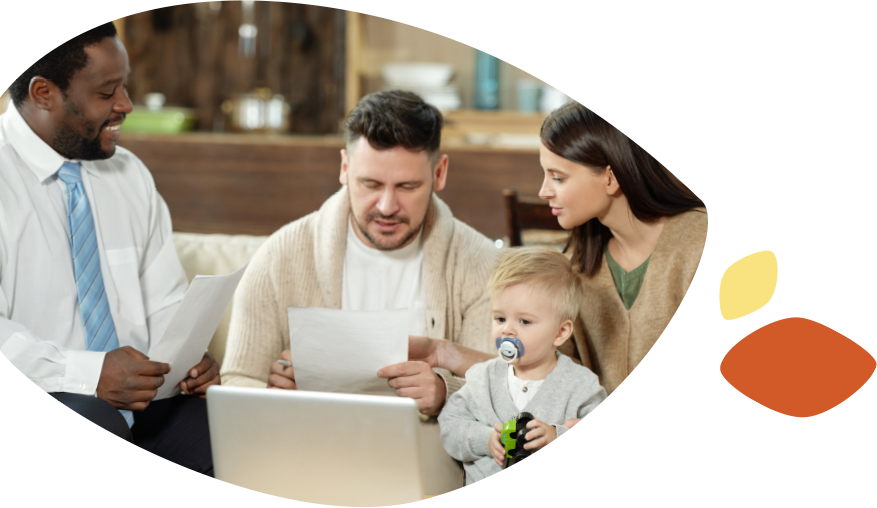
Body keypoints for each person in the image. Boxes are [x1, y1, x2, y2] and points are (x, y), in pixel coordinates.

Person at [0, 22, 218, 475]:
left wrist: (186, 359)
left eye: (125, 86)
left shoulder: (130, 175)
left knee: (225, 429)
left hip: (137, 400)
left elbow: (165, 298)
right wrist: (89, 374)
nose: (126, 105)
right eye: (106, 92)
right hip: (50, 386)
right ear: (44, 93)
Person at [221, 90, 500, 415]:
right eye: (370, 184)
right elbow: (239, 379)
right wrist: (282, 398)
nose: (386, 206)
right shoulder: (279, 255)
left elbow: (507, 392)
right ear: (344, 167)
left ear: (439, 174)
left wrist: (444, 392)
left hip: (426, 455)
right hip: (310, 446)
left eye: (407, 187)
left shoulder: (483, 265)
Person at [537, 101, 708, 395]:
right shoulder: (576, 267)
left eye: (558, 177)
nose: (543, 191)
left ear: (610, 178)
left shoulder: (702, 242)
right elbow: (545, 372)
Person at [438, 246, 607, 485]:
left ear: (560, 332)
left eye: (524, 321)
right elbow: (450, 427)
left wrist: (556, 435)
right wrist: (484, 439)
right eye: (500, 318)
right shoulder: (481, 379)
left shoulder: (581, 386)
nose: (507, 329)